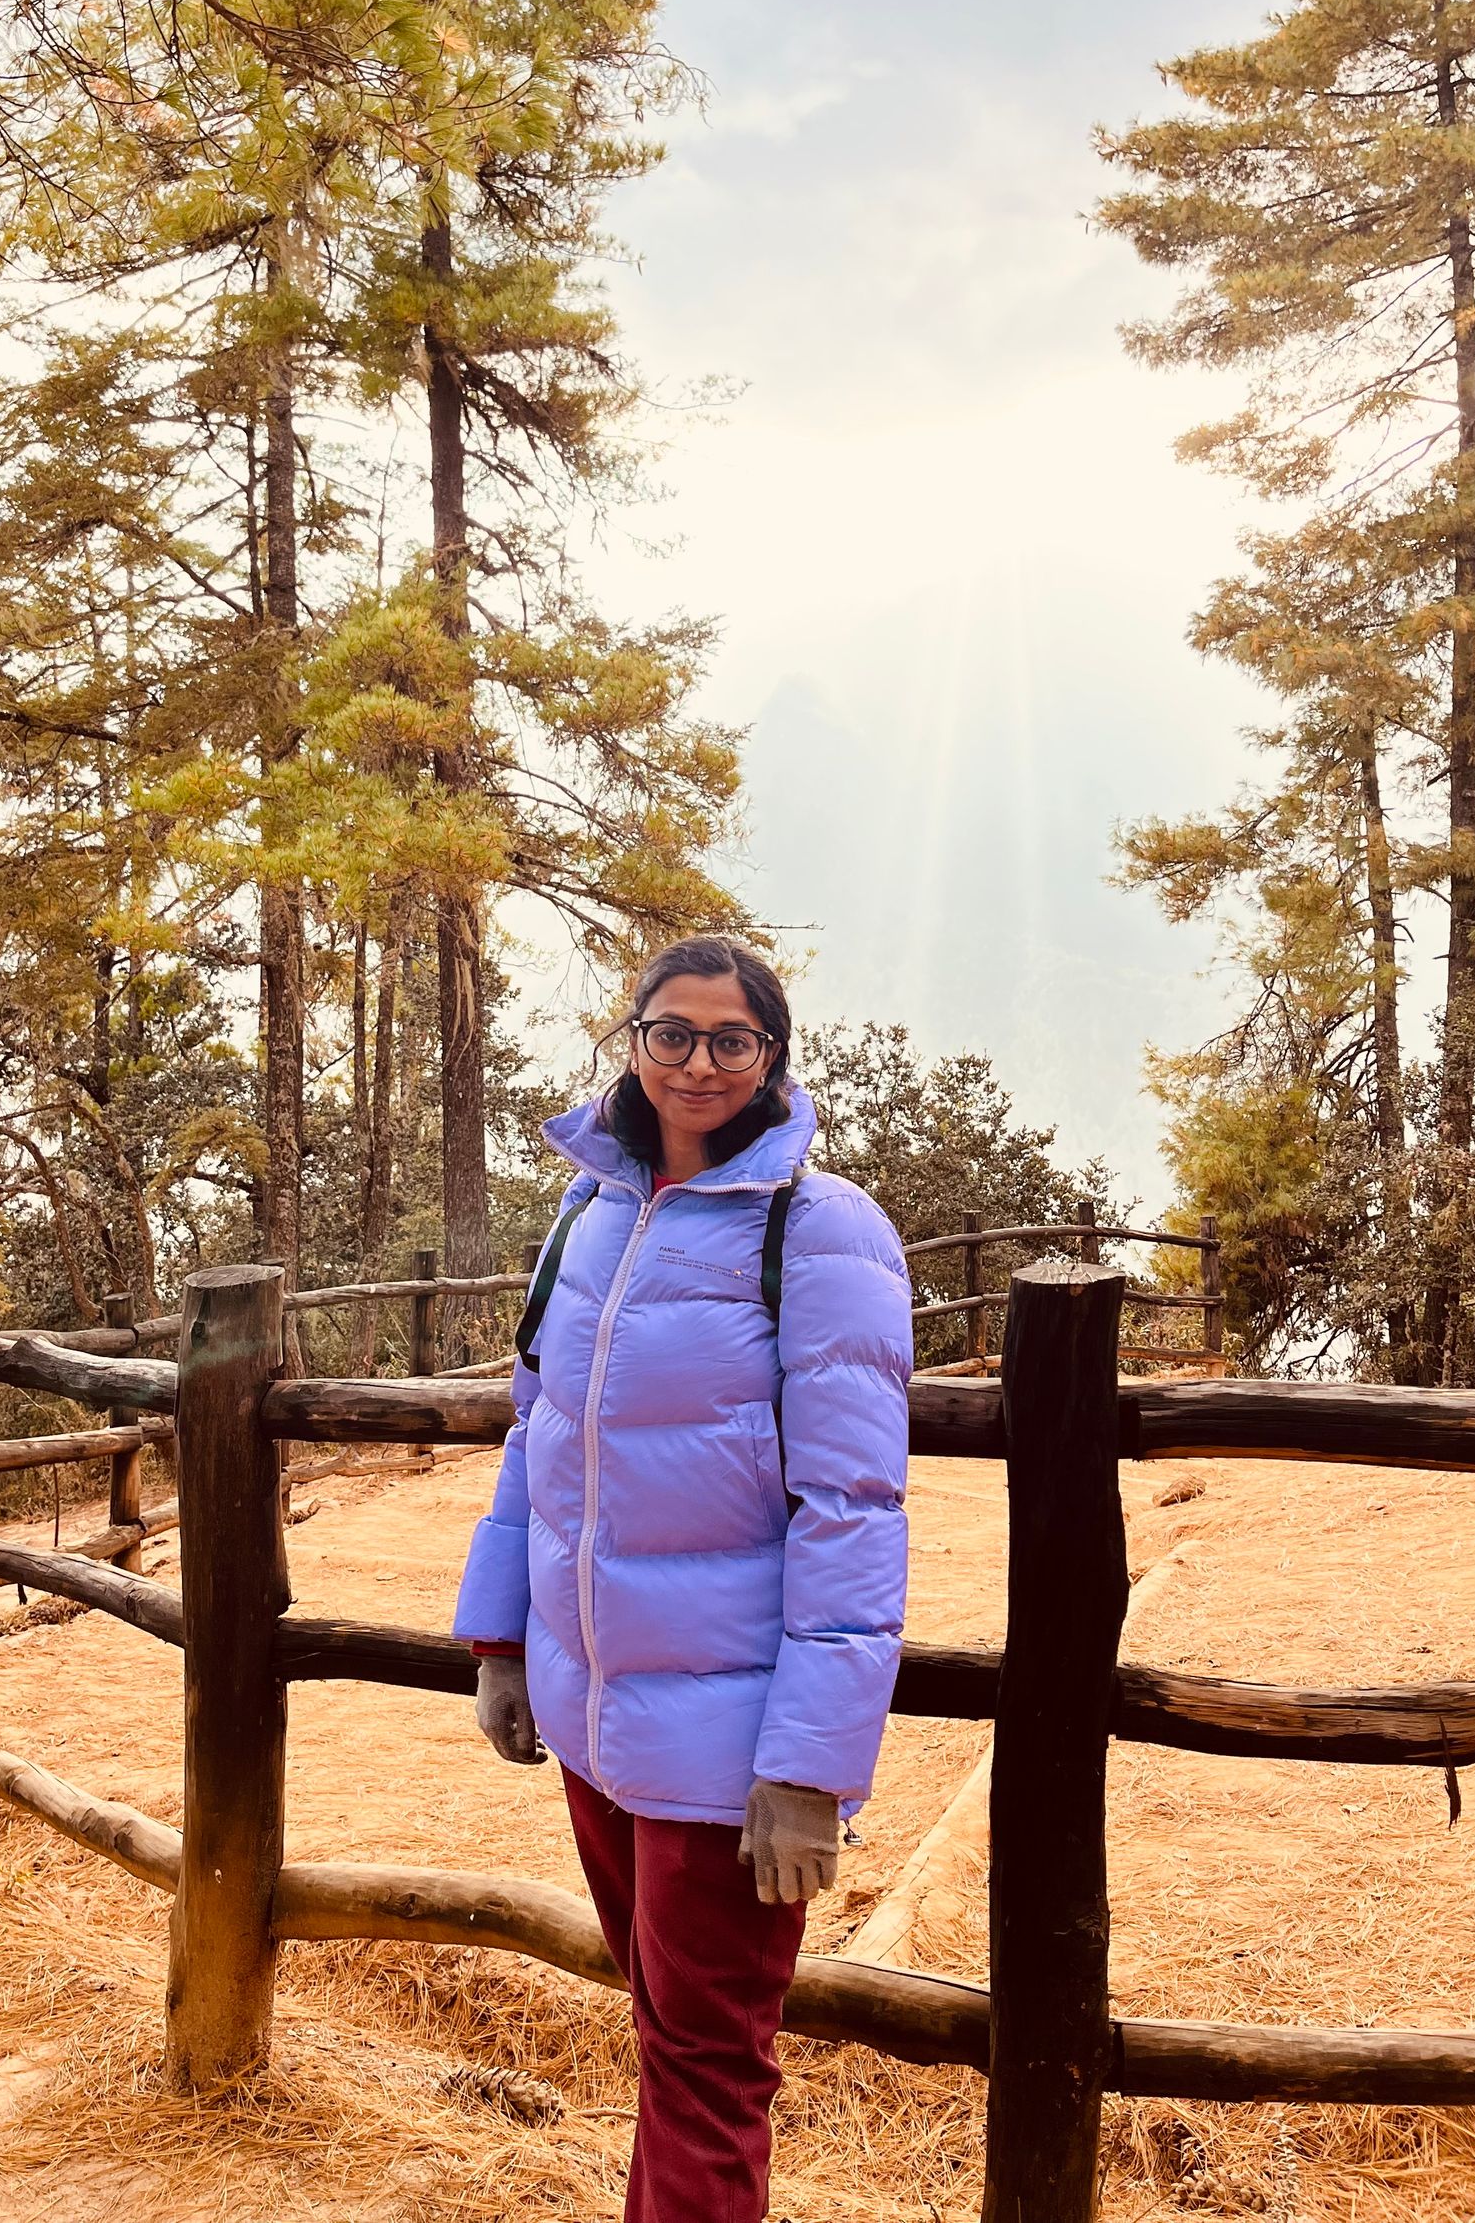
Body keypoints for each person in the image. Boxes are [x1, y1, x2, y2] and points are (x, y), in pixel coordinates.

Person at [452, 933, 913, 2223]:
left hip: (730, 1748)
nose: (698, 1062)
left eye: (731, 1039)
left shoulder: (821, 1234)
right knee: (668, 2046)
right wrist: (501, 1642)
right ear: (633, 1042)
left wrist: (811, 1768)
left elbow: (854, 1512)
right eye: (672, 1033)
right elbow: (535, 1432)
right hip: (596, 1721)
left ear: (771, 1058)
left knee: (709, 2068)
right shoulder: (590, 1213)